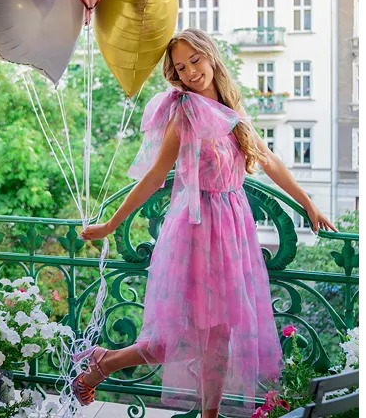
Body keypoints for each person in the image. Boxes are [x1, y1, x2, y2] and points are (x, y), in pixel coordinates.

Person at [72, 29, 337, 417]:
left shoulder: (233, 110)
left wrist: (308, 204)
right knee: (185, 336)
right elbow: (155, 176)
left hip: (234, 231)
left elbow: (269, 161)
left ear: (210, 57)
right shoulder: (184, 113)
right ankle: (105, 362)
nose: (191, 71)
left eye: (195, 60)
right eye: (181, 67)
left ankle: (112, 364)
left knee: (221, 335)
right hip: (197, 232)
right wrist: (112, 224)